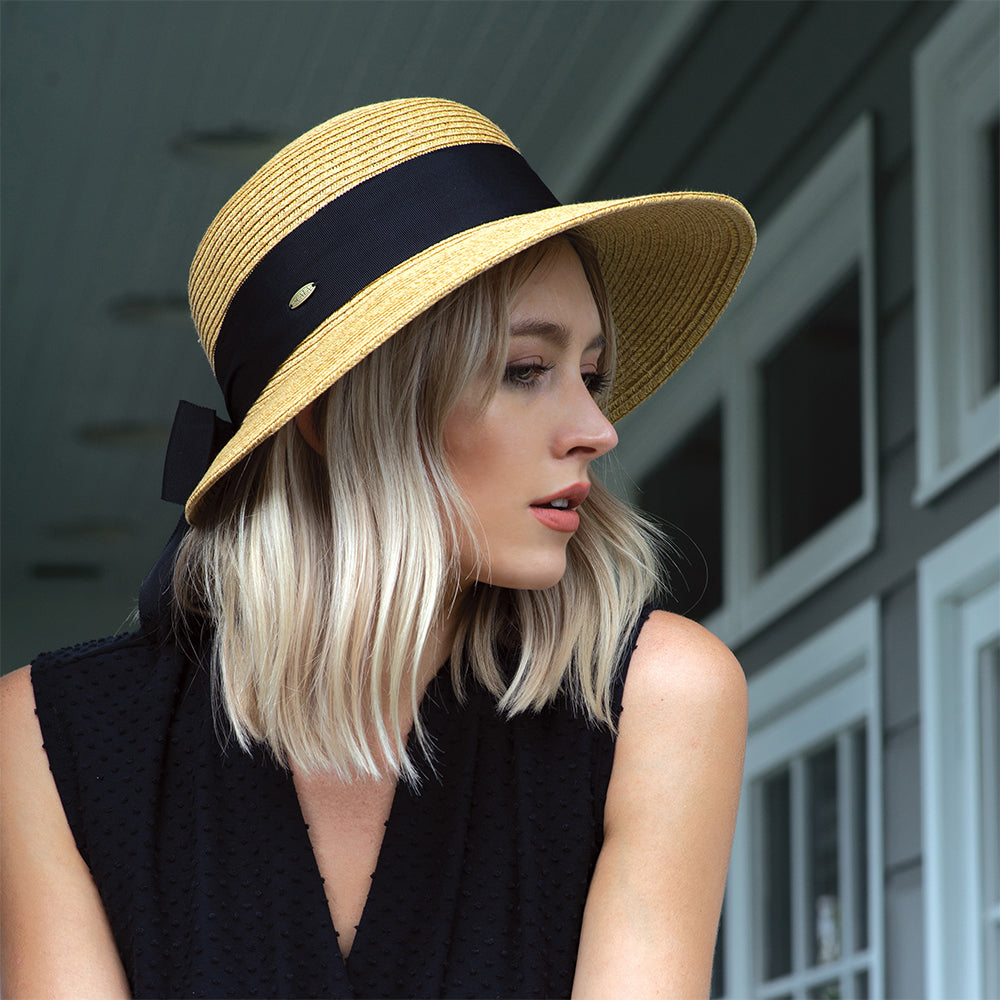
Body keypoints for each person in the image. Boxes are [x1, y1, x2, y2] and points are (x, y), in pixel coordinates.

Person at [0, 98, 754, 998]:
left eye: (591, 376)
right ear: (333, 418)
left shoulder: (651, 698)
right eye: (525, 370)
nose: (598, 429)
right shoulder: (50, 737)